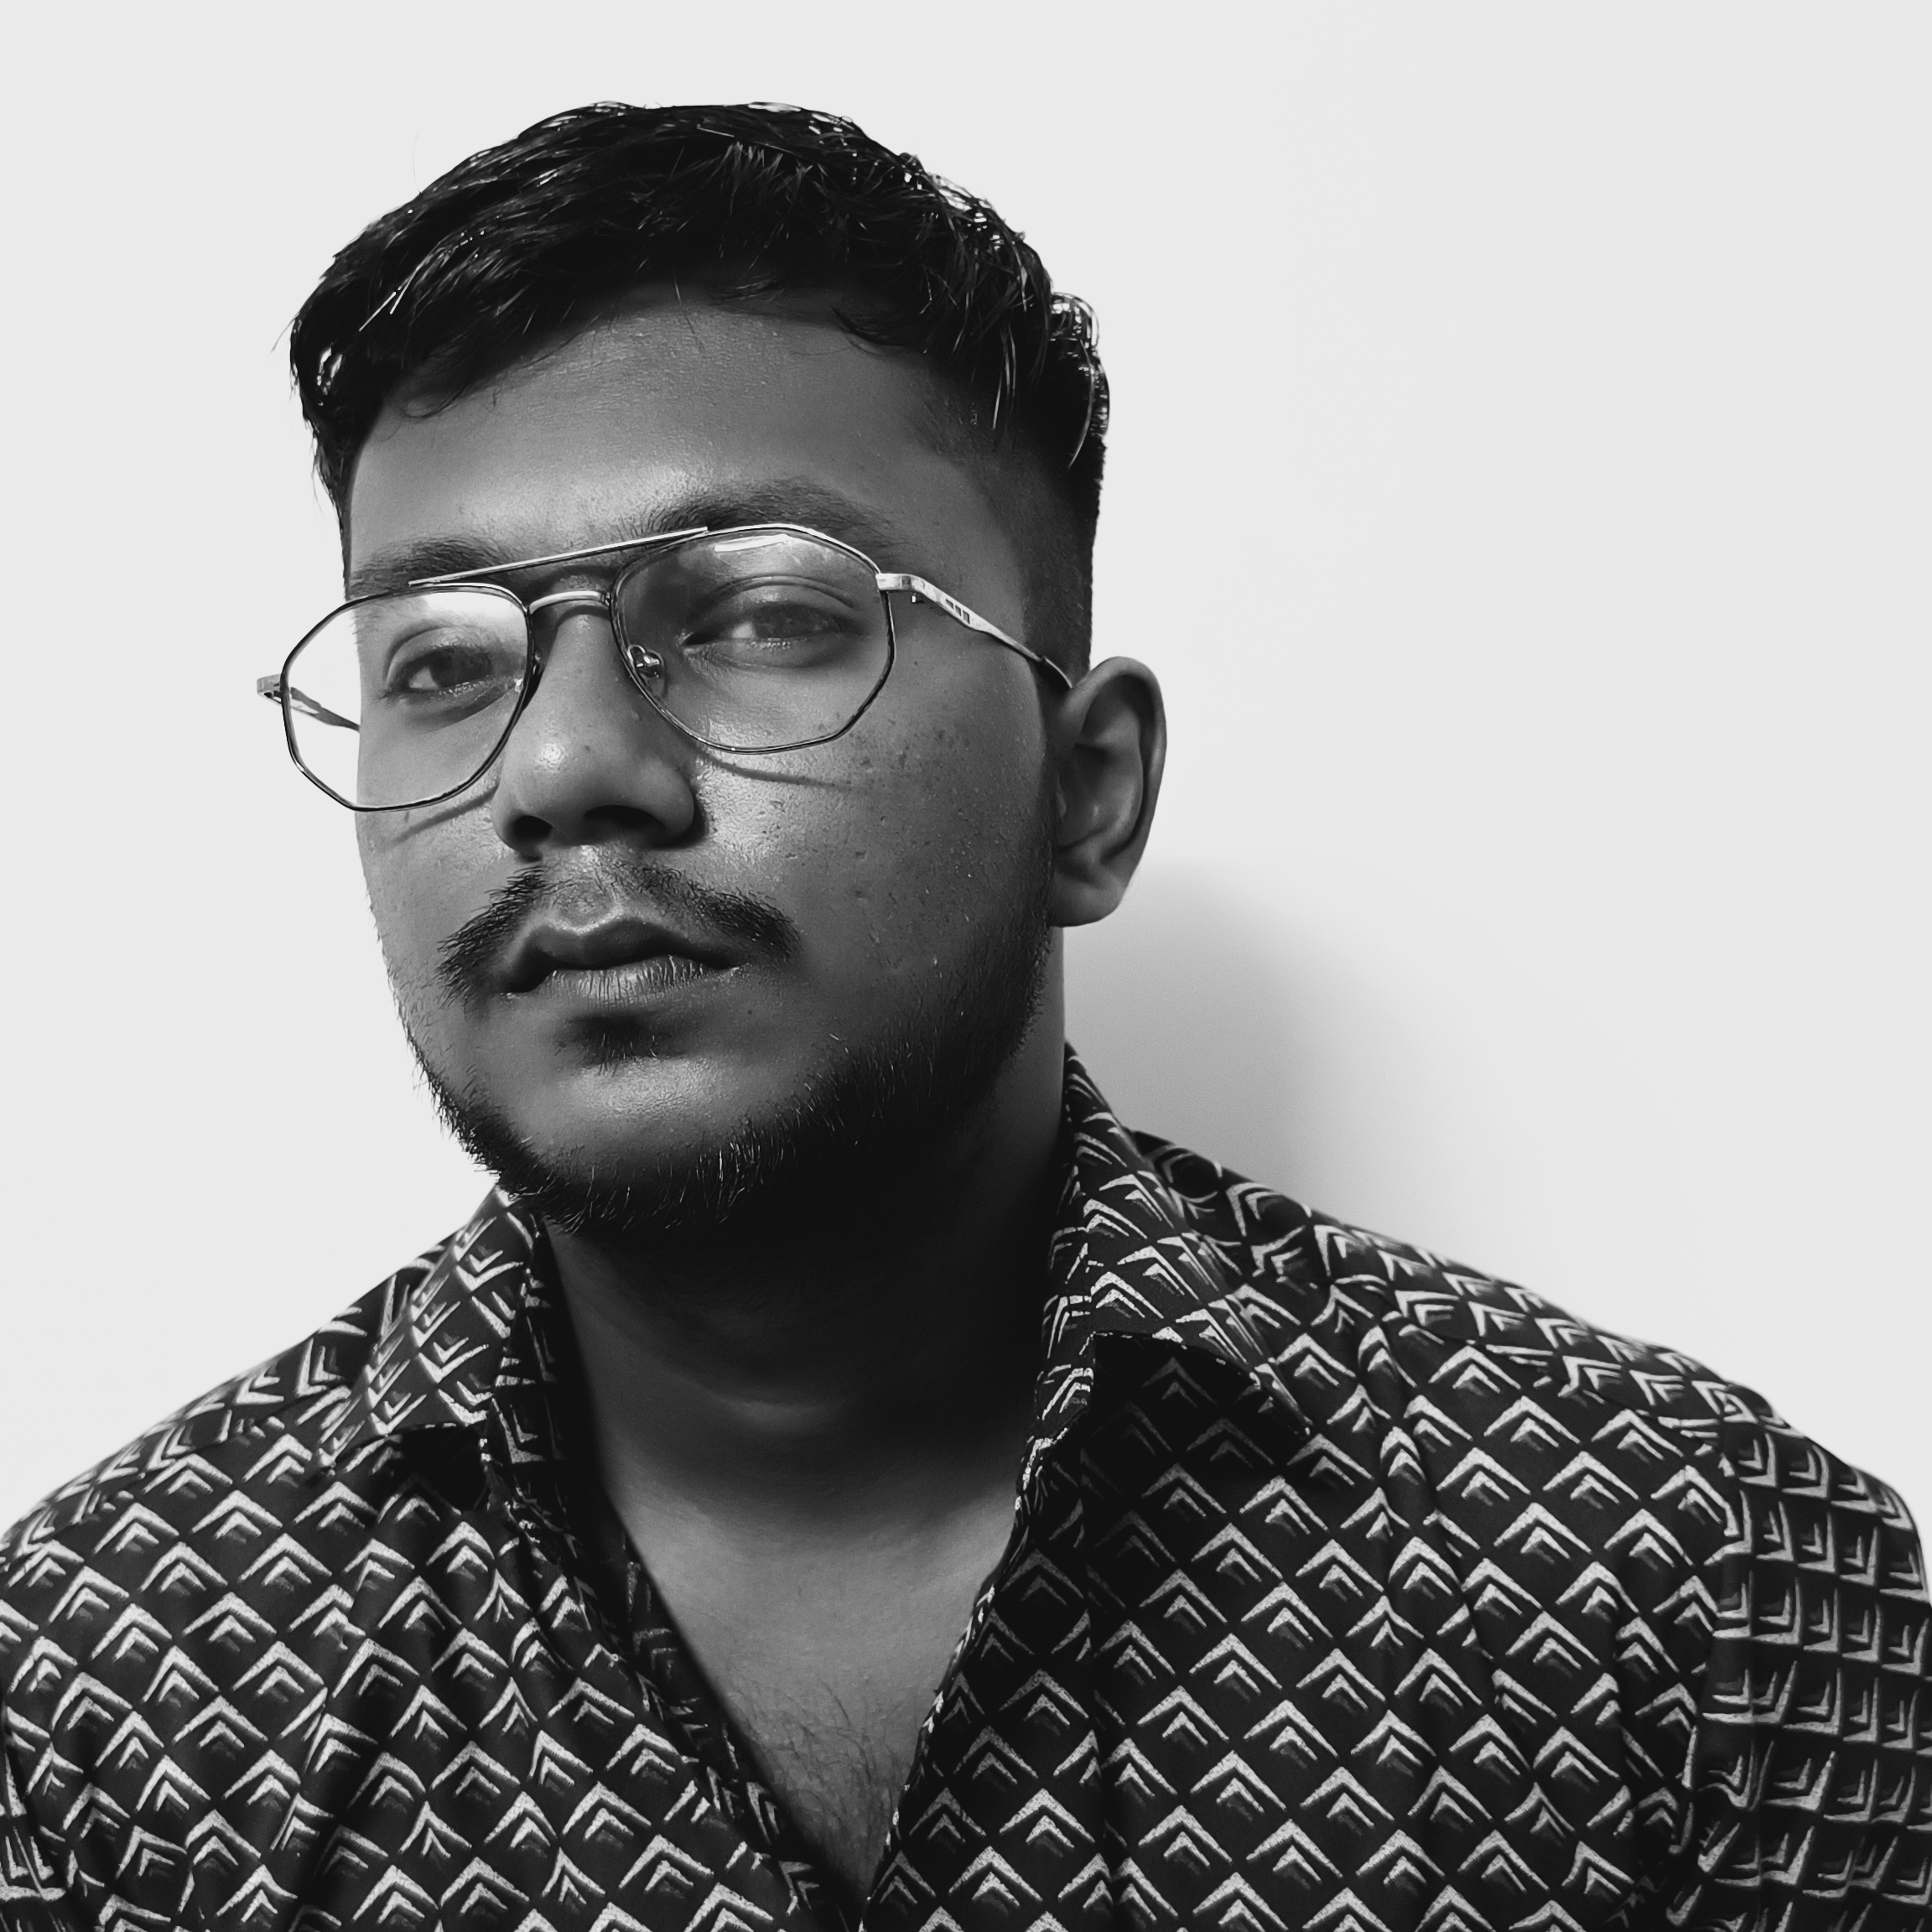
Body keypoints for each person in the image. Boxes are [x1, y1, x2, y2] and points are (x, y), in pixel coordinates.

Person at [2, 102, 1925, 1932]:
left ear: (1085, 793)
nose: (564, 764)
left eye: (760, 614)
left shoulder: (1697, 1596)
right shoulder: (100, 1692)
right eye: (439, 660)